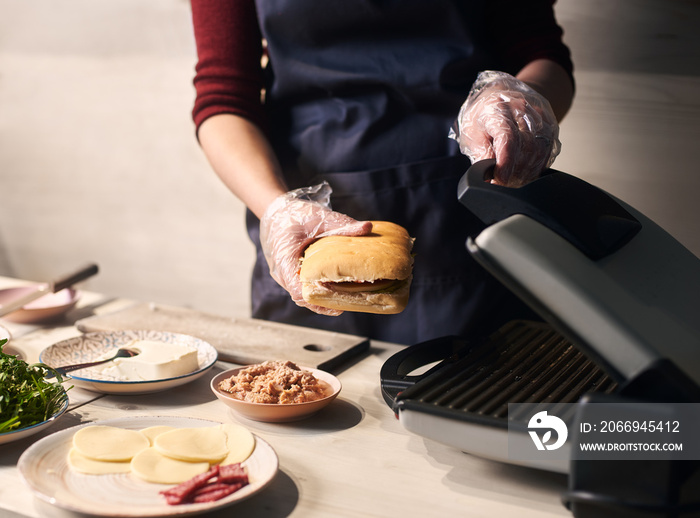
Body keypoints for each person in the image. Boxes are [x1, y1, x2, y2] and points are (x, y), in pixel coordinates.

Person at [190, 0, 575, 344]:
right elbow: (223, 94)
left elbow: (542, 52)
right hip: (307, 219)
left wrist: (520, 101)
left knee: (485, 400)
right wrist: (275, 209)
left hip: (471, 199)